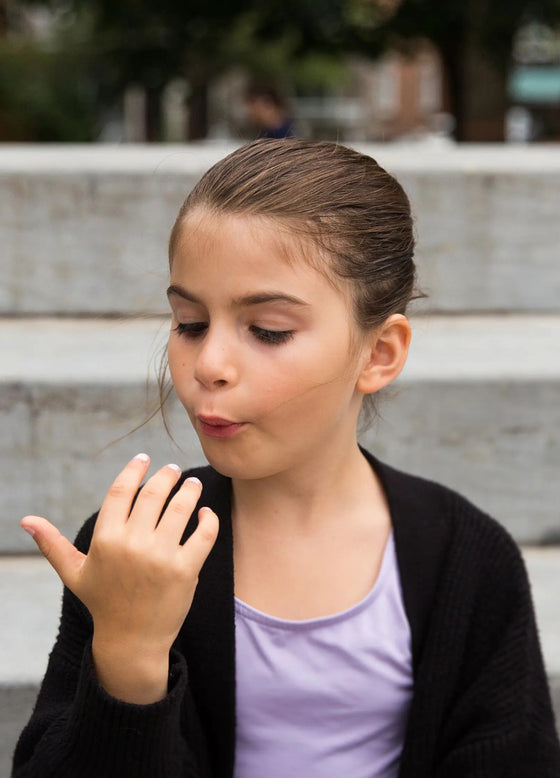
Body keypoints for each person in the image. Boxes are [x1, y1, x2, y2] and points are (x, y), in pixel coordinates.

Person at [13, 139, 560, 778]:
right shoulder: (140, 550)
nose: (209, 364)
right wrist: (129, 658)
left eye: (268, 330)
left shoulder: (467, 557)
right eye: (189, 322)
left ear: (379, 353)